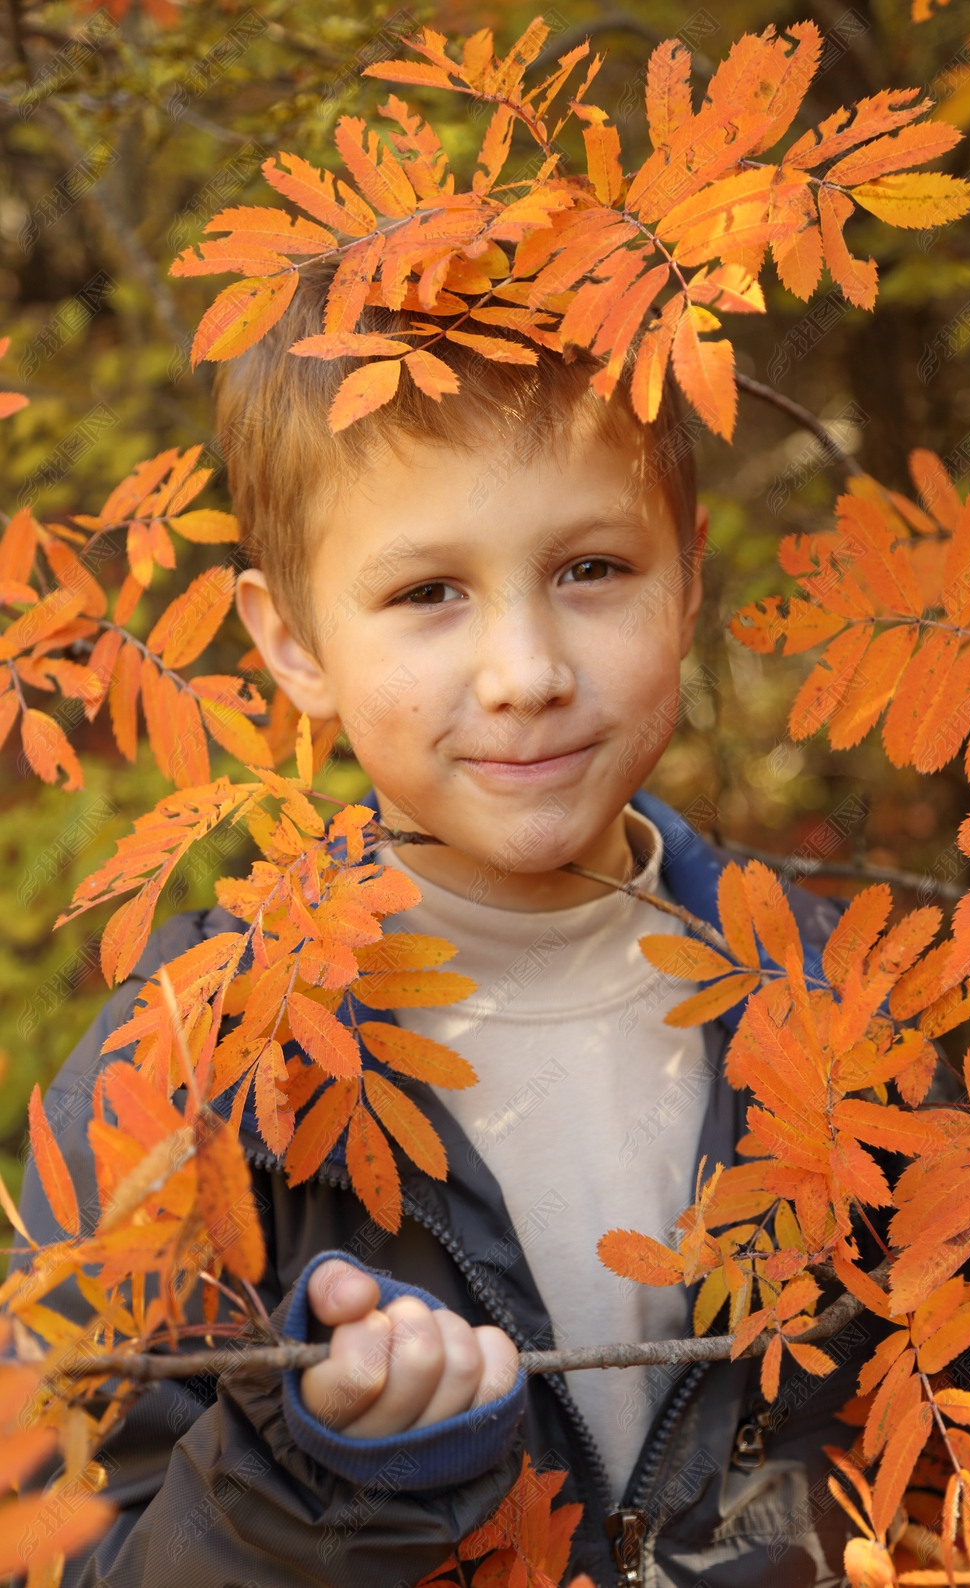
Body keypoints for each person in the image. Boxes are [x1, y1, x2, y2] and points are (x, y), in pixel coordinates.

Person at [16, 263, 864, 1588]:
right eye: (429, 594)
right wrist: (318, 1482)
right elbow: (63, 1549)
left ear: (687, 585)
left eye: (592, 569)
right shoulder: (184, 1068)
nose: (526, 674)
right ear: (290, 641)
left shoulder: (853, 1000)